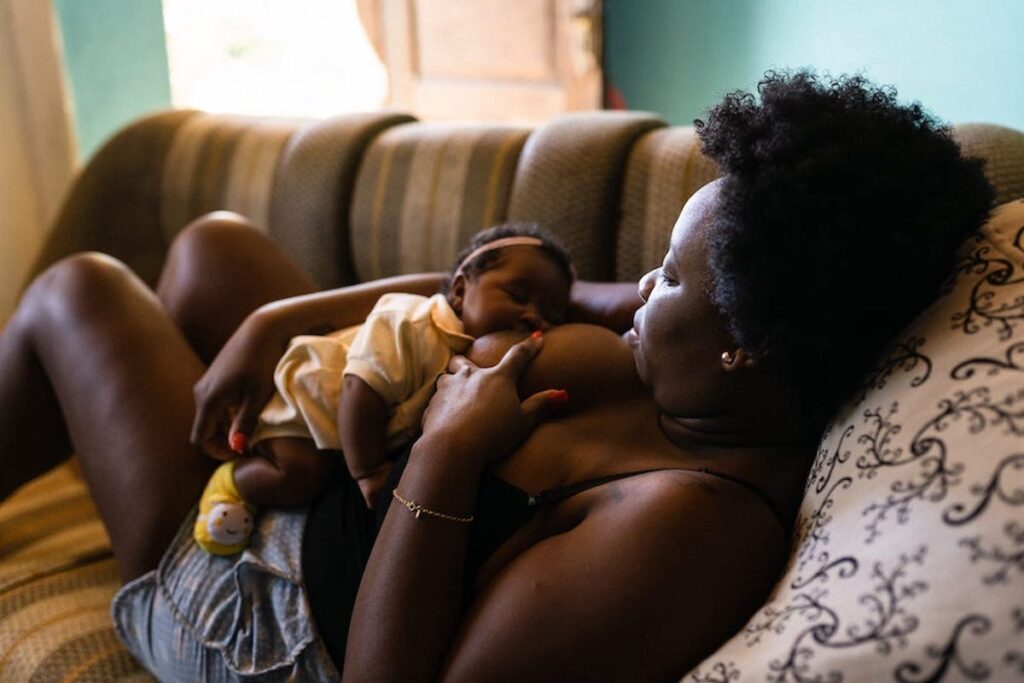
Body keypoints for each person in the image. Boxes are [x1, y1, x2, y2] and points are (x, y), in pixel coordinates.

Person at [0, 71, 993, 680]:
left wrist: (446, 448)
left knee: (76, 291)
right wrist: (283, 318)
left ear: (752, 342)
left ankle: (134, 488)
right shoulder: (690, 367)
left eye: (673, 273)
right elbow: (487, 283)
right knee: (217, 250)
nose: (639, 285)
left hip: (274, 614)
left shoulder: (682, 531)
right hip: (331, 476)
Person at [193, 223, 574, 555]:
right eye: (518, 295)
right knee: (299, 475)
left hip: (338, 428)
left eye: (550, 316)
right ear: (459, 290)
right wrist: (370, 470)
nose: (532, 315)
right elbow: (362, 390)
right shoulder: (412, 324)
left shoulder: (460, 349)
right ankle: (230, 480)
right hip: (302, 405)